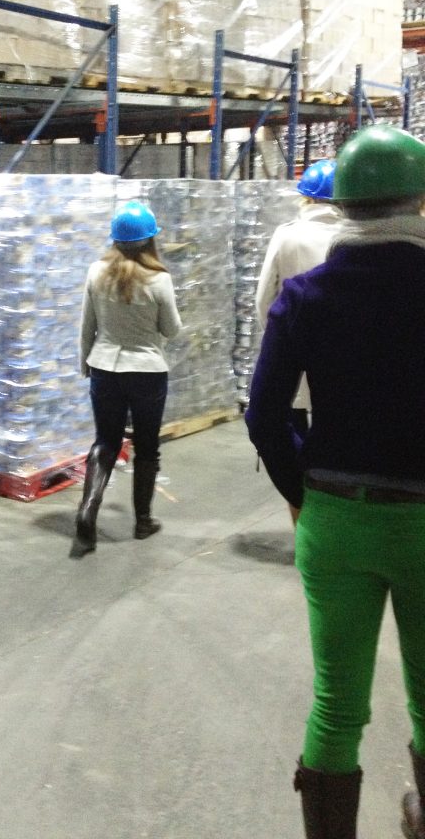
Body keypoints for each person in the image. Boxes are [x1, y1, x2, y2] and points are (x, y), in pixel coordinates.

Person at [244, 123, 425, 839]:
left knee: (336, 704)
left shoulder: (306, 296)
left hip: (337, 521)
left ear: (340, 205)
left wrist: (304, 489)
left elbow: (263, 416)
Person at [75, 199, 182, 555]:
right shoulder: (160, 280)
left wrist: (85, 363)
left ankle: (88, 510)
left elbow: (87, 326)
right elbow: (172, 329)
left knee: (105, 441)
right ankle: (143, 521)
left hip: (104, 368)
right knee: (147, 447)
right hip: (147, 372)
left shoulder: (96, 273)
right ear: (150, 240)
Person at [255, 158, 341, 441]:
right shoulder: (351, 236)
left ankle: (299, 481)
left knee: (292, 421)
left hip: (293, 344)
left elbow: (264, 297)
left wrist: (278, 337)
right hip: (340, 350)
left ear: (306, 198)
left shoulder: (287, 235)